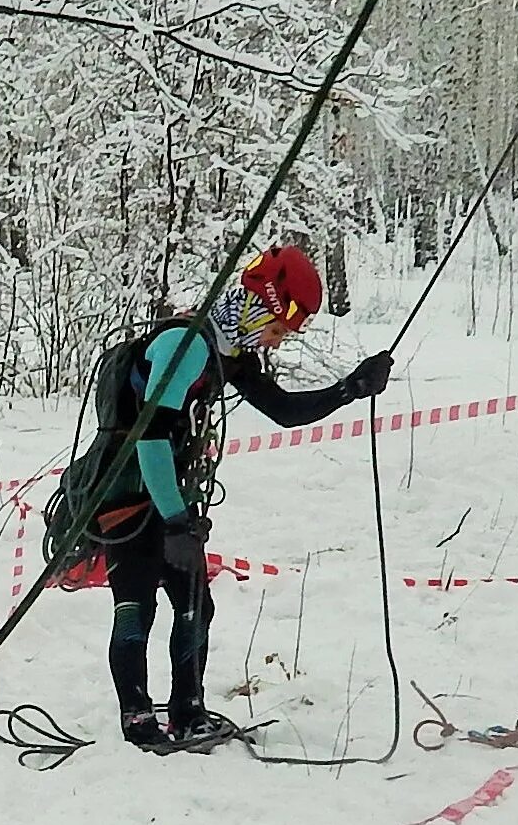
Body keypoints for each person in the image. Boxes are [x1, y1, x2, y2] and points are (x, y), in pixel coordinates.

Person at [60, 244, 390, 753]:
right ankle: (138, 721)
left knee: (195, 602)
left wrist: (350, 388)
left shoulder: (227, 352)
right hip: (124, 492)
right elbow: (150, 438)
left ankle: (187, 713)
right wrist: (174, 523)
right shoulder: (186, 345)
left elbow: (283, 410)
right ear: (261, 304)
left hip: (165, 492)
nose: (276, 344)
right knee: (136, 605)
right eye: (278, 330)